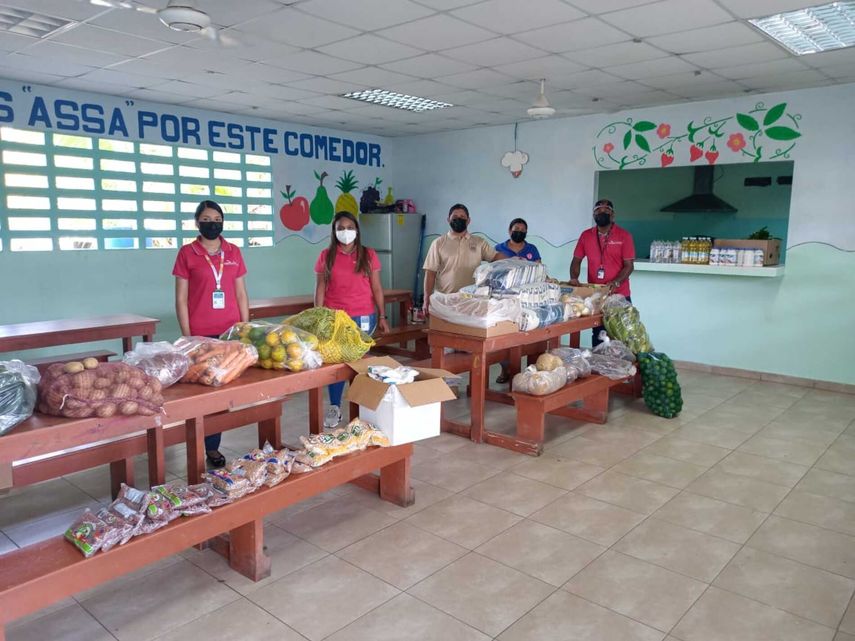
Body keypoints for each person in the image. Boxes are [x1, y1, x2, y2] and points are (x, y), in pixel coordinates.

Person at [173, 200, 249, 467]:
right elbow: (181, 299)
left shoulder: (233, 251)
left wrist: (244, 328)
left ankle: (212, 447)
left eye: (217, 218)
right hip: (200, 337)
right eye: (206, 218)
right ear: (197, 222)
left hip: (230, 334)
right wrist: (187, 337)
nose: (212, 222)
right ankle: (200, 445)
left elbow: (240, 293)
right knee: (202, 395)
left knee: (221, 395)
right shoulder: (187, 253)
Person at [315, 211, 389, 428]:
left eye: (349, 227)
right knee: (336, 363)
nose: (345, 232)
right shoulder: (326, 255)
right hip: (335, 317)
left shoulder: (368, 254)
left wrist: (383, 315)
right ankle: (335, 406)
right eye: (340, 228)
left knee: (360, 363)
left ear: (357, 230)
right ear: (334, 231)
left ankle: (361, 406)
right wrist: (318, 316)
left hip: (363, 316)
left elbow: (376, 287)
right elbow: (320, 288)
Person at [569, 198, 635, 347]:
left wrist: (616, 282)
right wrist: (574, 277)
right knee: (598, 332)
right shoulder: (586, 235)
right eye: (598, 210)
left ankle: (620, 367)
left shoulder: (624, 236)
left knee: (622, 332)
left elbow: (629, 266)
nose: (602, 212)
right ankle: (599, 367)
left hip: (620, 294)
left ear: (613, 215)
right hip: (596, 295)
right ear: (593, 215)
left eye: (606, 210)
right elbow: (576, 260)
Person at [423, 203, 500, 315]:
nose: (458, 219)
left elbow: (496, 257)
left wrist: (516, 260)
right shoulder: (438, 243)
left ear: (468, 220)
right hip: (445, 301)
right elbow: (430, 273)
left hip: (471, 300)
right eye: (454, 218)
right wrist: (426, 300)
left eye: (462, 217)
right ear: (448, 220)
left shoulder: (479, 242)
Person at [494, 217, 541, 383]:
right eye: (516, 228)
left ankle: (529, 372)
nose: (519, 231)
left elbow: (539, 270)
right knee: (505, 333)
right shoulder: (499, 249)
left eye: (522, 230)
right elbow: (493, 272)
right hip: (505, 297)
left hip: (528, 298)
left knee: (529, 333)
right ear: (509, 230)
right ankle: (506, 370)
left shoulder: (532, 249)